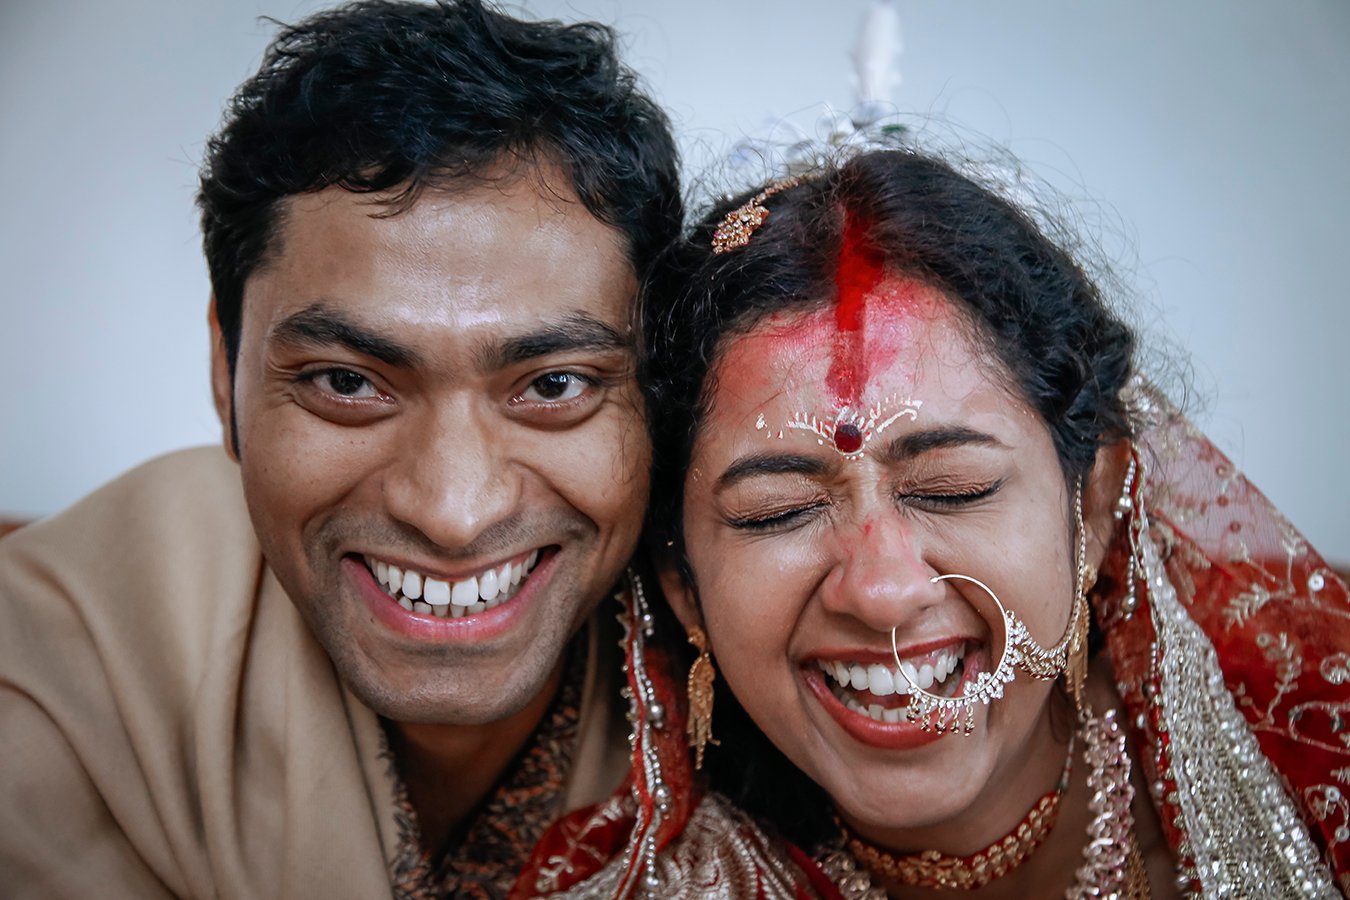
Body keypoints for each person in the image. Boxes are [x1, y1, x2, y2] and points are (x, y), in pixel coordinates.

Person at [0, 1, 683, 896]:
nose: (452, 511)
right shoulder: (44, 688)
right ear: (225, 370)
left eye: (554, 385)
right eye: (347, 383)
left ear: (656, 394)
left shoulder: (753, 668)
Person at [604, 146, 1349, 897]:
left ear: (1092, 507)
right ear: (684, 586)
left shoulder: (1319, 738)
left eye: (952, 490)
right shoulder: (657, 880)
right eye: (782, 511)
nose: (883, 593)